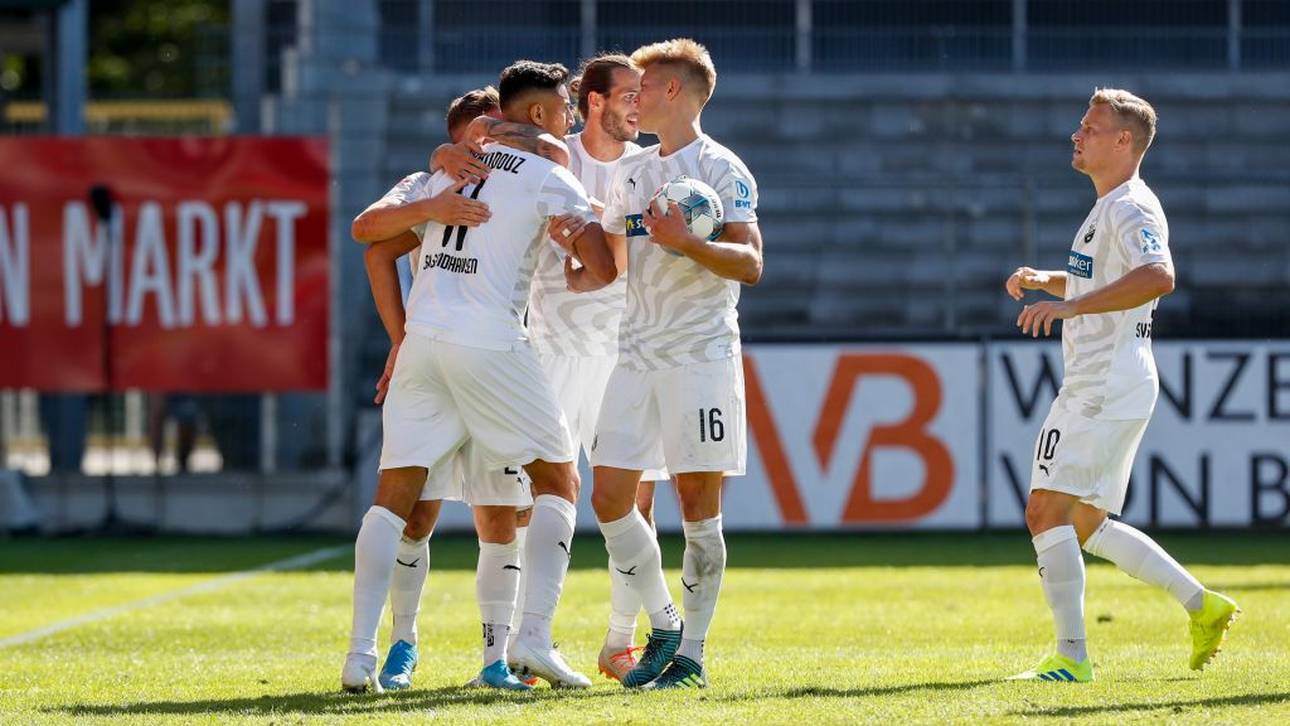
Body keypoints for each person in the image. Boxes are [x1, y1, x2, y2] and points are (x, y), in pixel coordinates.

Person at [342, 61, 614, 692]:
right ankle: (534, 638)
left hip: (425, 342)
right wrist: (586, 234)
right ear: (543, 116)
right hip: (489, 341)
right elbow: (602, 270)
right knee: (560, 479)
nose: (571, 122)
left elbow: (372, 236)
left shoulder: (450, 169)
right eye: (565, 112)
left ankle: (361, 656)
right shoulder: (548, 173)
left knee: (394, 498)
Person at [1005, 88, 1238, 683]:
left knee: (1044, 510)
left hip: (1102, 380)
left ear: (1123, 141)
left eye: (1091, 126)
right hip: (1118, 376)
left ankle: (1071, 658)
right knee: (1082, 522)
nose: (1077, 134)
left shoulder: (1131, 206)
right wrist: (1051, 282)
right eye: (1080, 124)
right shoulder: (1109, 205)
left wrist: (1069, 311)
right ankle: (1202, 605)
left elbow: (1158, 276)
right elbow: (1106, 280)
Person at [561, 38, 764, 690]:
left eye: (641, 87)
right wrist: (573, 253)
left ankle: (693, 657)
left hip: (701, 357)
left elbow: (751, 263)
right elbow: (613, 263)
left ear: (672, 91)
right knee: (611, 498)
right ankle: (667, 620)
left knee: (699, 509)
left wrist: (684, 242)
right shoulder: (632, 172)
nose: (633, 97)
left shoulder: (722, 169)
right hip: (635, 355)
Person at [348, 86, 501, 691]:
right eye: (474, 139)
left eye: (496, 136)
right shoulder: (428, 185)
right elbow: (369, 238)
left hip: (502, 361)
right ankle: (400, 643)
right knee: (416, 514)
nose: (486, 149)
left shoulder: (521, 185)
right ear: (455, 140)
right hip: (437, 361)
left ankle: (502, 653)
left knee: (502, 515)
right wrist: (400, 338)